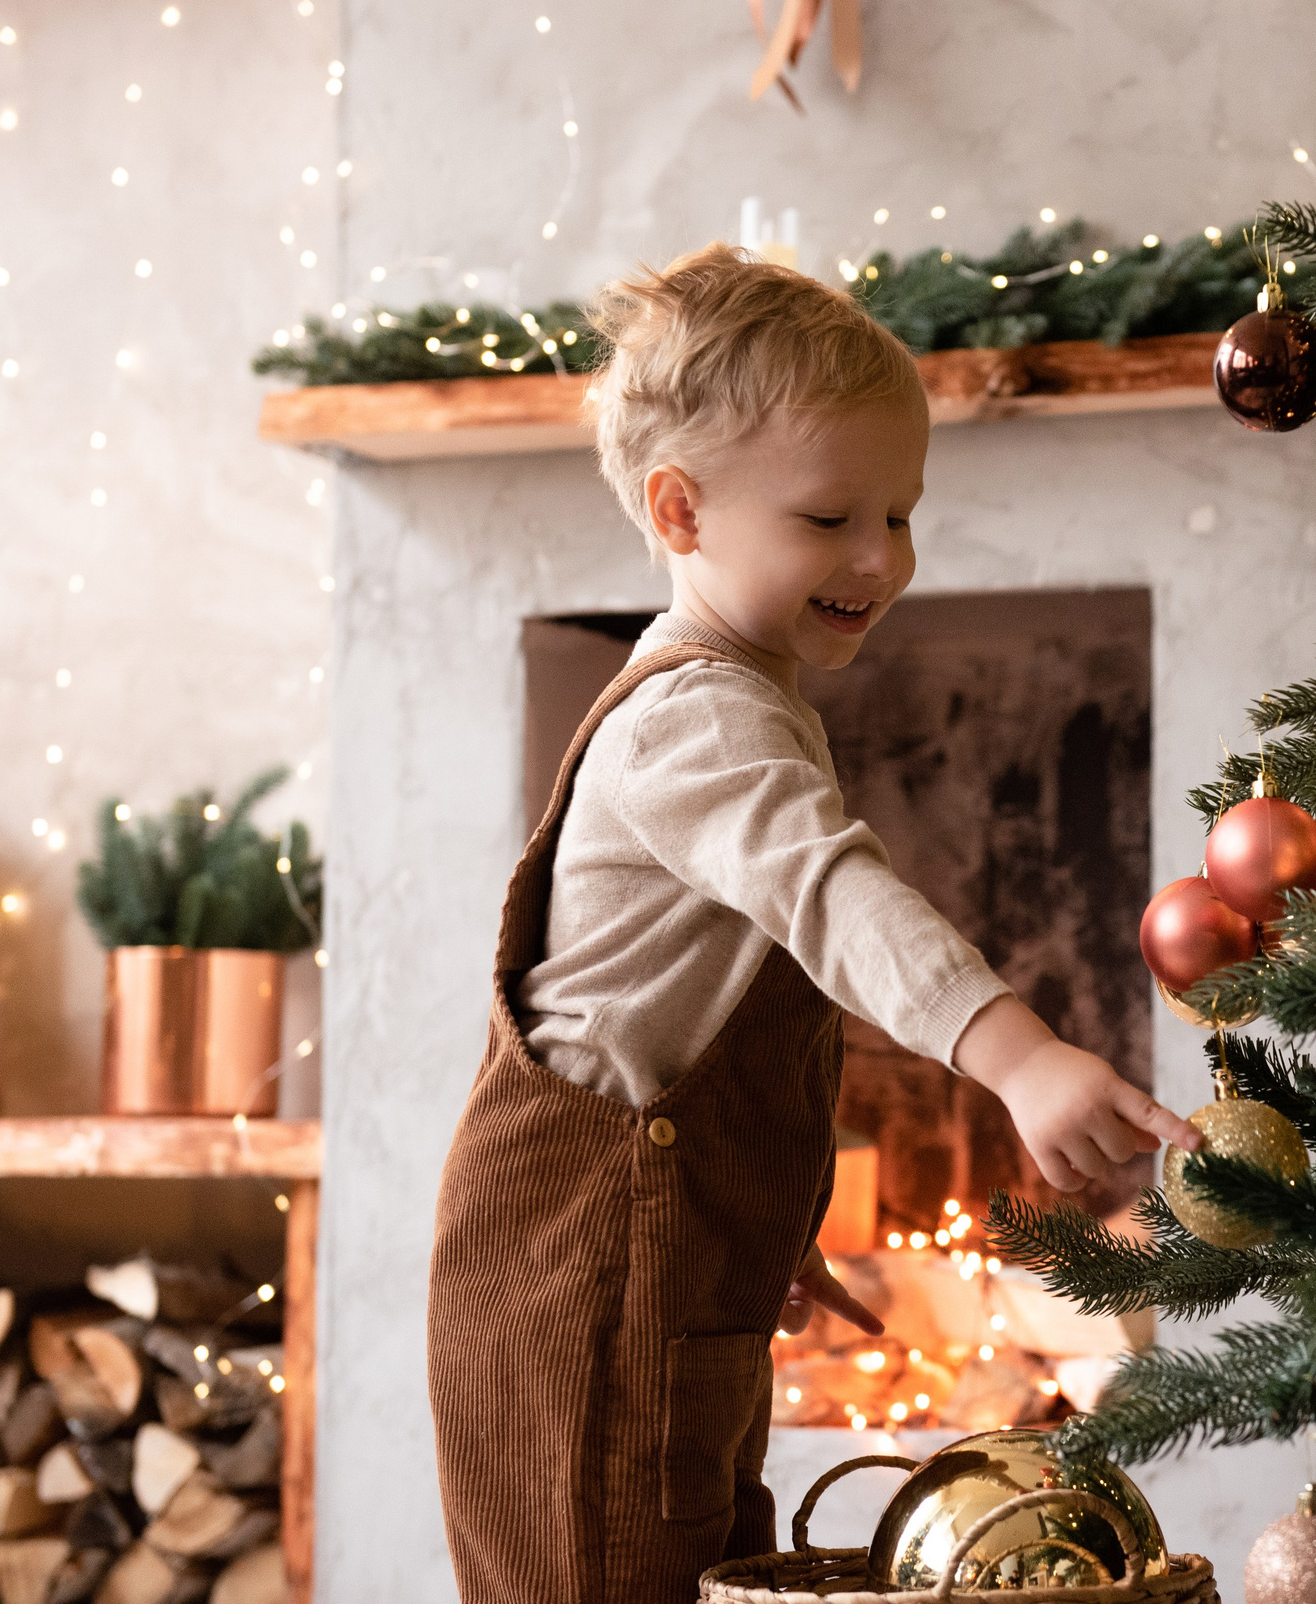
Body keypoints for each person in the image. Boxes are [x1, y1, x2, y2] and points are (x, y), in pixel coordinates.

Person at [426, 244, 1200, 1604]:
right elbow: (832, 896)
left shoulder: (742, 696)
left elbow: (671, 1024)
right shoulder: (696, 716)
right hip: (584, 1290)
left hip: (661, 1276)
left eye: (900, 514)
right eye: (831, 517)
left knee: (705, 1569)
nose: (880, 558)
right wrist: (1015, 1052)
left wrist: (759, 1235)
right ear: (681, 509)